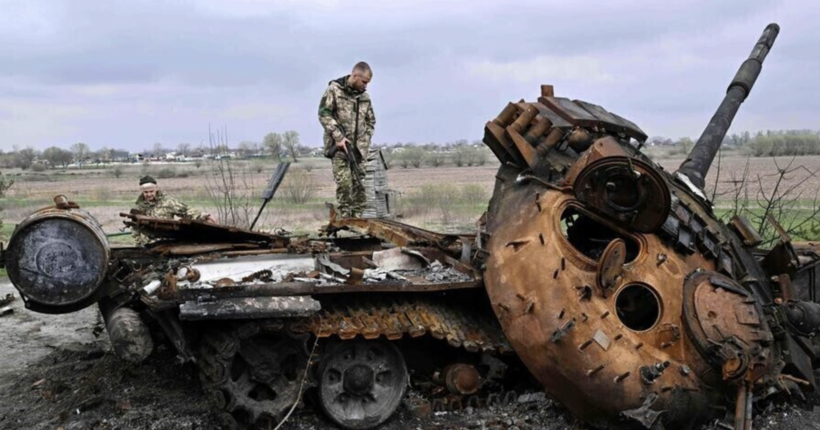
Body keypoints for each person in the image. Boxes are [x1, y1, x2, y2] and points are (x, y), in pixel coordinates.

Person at [318, 61, 376, 218]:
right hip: (339, 149)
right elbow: (324, 113)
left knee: (359, 185)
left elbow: (371, 121)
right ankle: (345, 216)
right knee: (344, 185)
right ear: (355, 76)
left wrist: (365, 140)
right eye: (364, 82)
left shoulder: (364, 97)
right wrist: (338, 137)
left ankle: (358, 218)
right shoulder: (334, 90)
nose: (366, 86)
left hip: (359, 151)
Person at [131, 175, 216, 245]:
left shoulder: (168, 202)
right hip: (146, 245)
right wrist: (138, 244)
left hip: (165, 244)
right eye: (146, 192)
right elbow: (135, 228)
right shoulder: (138, 206)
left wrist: (204, 216)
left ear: (156, 189)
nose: (149, 194)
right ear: (142, 191)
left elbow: (186, 210)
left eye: (151, 191)